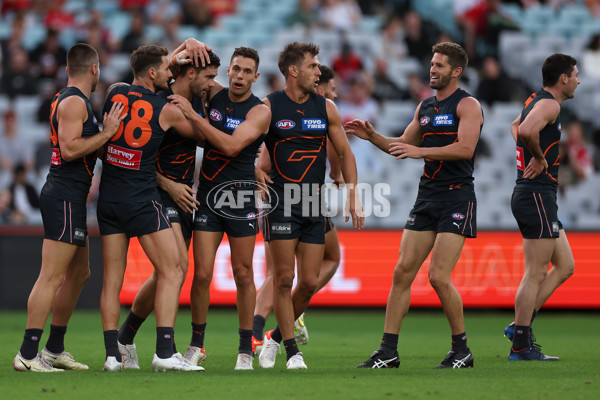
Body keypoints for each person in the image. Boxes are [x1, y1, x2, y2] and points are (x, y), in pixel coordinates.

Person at [345, 42, 483, 369]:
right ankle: (388, 351)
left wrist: (422, 153)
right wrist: (373, 136)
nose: (432, 69)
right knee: (402, 272)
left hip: (456, 196)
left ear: (456, 71)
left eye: (439, 65)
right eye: (432, 63)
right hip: (427, 197)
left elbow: (465, 148)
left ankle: (461, 349)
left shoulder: (468, 105)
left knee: (438, 276)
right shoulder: (426, 107)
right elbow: (402, 146)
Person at [12, 43, 125, 372]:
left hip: (70, 196)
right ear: (94, 69)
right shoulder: (75, 101)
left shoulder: (75, 100)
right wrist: (108, 133)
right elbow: (71, 148)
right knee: (51, 276)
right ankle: (27, 354)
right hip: (63, 194)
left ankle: (54, 348)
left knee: (79, 273)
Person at [98, 44, 206, 372]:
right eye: (166, 69)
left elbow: (148, 66)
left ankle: (112, 357)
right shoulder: (166, 108)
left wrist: (177, 50)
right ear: (152, 74)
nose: (171, 73)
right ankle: (164, 352)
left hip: (108, 199)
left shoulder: (115, 92)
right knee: (174, 269)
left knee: (111, 281)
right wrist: (190, 110)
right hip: (142, 199)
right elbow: (205, 138)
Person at [256, 42, 363, 370]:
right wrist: (256, 171)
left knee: (309, 281)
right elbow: (245, 148)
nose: (319, 71)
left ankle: (274, 337)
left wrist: (353, 193)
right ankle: (292, 352)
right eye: (313, 66)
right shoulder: (268, 107)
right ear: (293, 71)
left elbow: (344, 152)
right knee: (284, 278)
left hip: (315, 203)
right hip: (282, 203)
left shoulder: (326, 108)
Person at [169, 47, 271, 371]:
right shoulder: (213, 92)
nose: (240, 76)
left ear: (256, 76)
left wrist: (192, 115)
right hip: (209, 195)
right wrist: (189, 42)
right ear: (228, 70)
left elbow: (229, 146)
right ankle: (196, 345)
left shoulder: (260, 111)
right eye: (235, 69)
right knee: (201, 275)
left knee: (243, 274)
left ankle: (245, 349)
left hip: (240, 198)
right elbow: (172, 72)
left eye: (247, 71)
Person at [251, 65, 343, 354]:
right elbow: (264, 163)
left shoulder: (319, 113)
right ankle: (262, 333)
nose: (334, 94)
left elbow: (337, 153)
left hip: (311, 199)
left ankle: (284, 321)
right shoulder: (297, 110)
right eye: (331, 89)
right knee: (279, 275)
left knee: (314, 267)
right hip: (284, 199)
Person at [505, 54, 578, 361]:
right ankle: (521, 345)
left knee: (565, 266)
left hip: (536, 194)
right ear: (563, 78)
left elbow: (515, 125)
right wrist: (537, 157)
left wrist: (528, 152)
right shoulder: (550, 104)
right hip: (536, 193)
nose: (577, 80)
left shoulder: (536, 99)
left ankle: (519, 325)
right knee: (535, 271)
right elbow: (523, 131)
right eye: (575, 74)